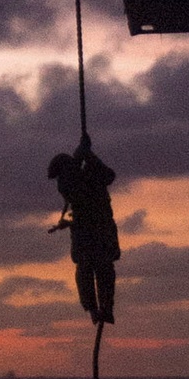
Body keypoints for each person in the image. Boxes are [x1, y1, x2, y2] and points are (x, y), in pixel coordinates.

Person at [48, 137, 120, 324]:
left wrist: (88, 155)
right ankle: (97, 309)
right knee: (90, 271)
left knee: (100, 270)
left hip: (98, 232)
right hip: (92, 233)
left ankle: (104, 308)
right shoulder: (69, 183)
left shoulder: (89, 174)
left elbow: (108, 176)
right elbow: (75, 183)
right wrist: (83, 153)